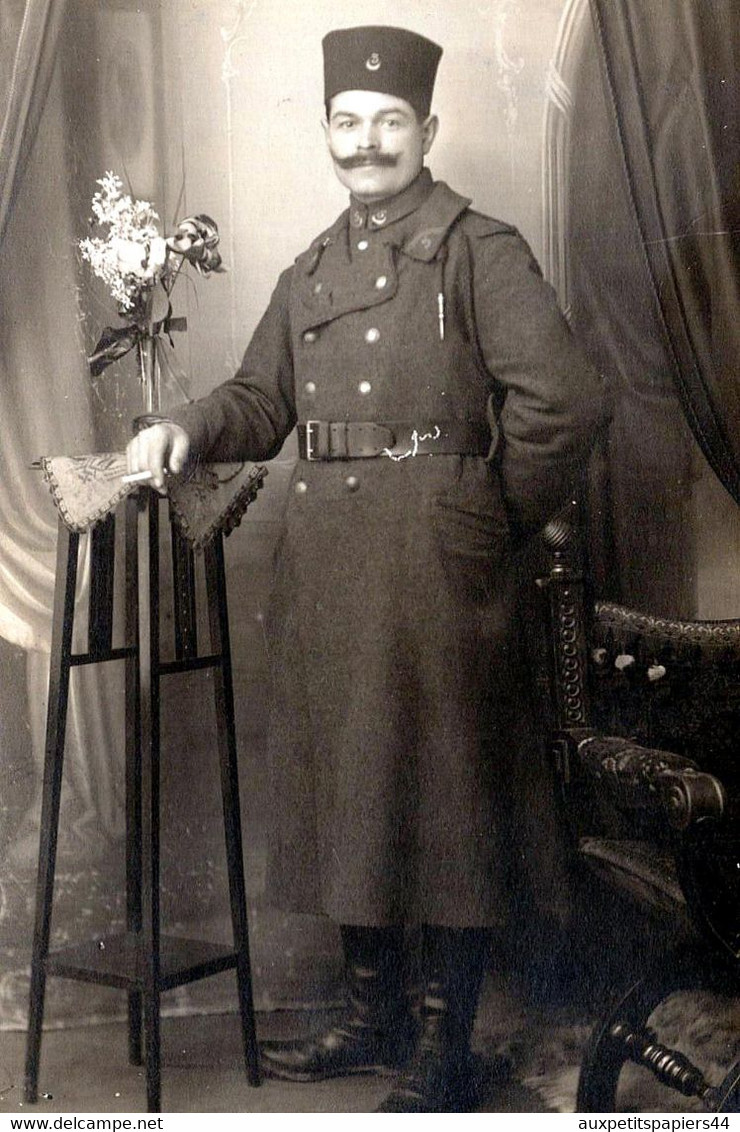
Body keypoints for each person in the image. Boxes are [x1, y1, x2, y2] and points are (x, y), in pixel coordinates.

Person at [127, 25, 608, 1113]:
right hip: (329, 564)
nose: (367, 141)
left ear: (426, 132)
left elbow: (565, 400)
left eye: (389, 122)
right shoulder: (310, 269)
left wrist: (484, 518)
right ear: (327, 134)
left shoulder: (477, 248)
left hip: (435, 566)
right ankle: (369, 1014)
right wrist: (185, 427)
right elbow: (261, 399)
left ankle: (441, 1043)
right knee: (351, 781)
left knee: (441, 791)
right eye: (348, 122)